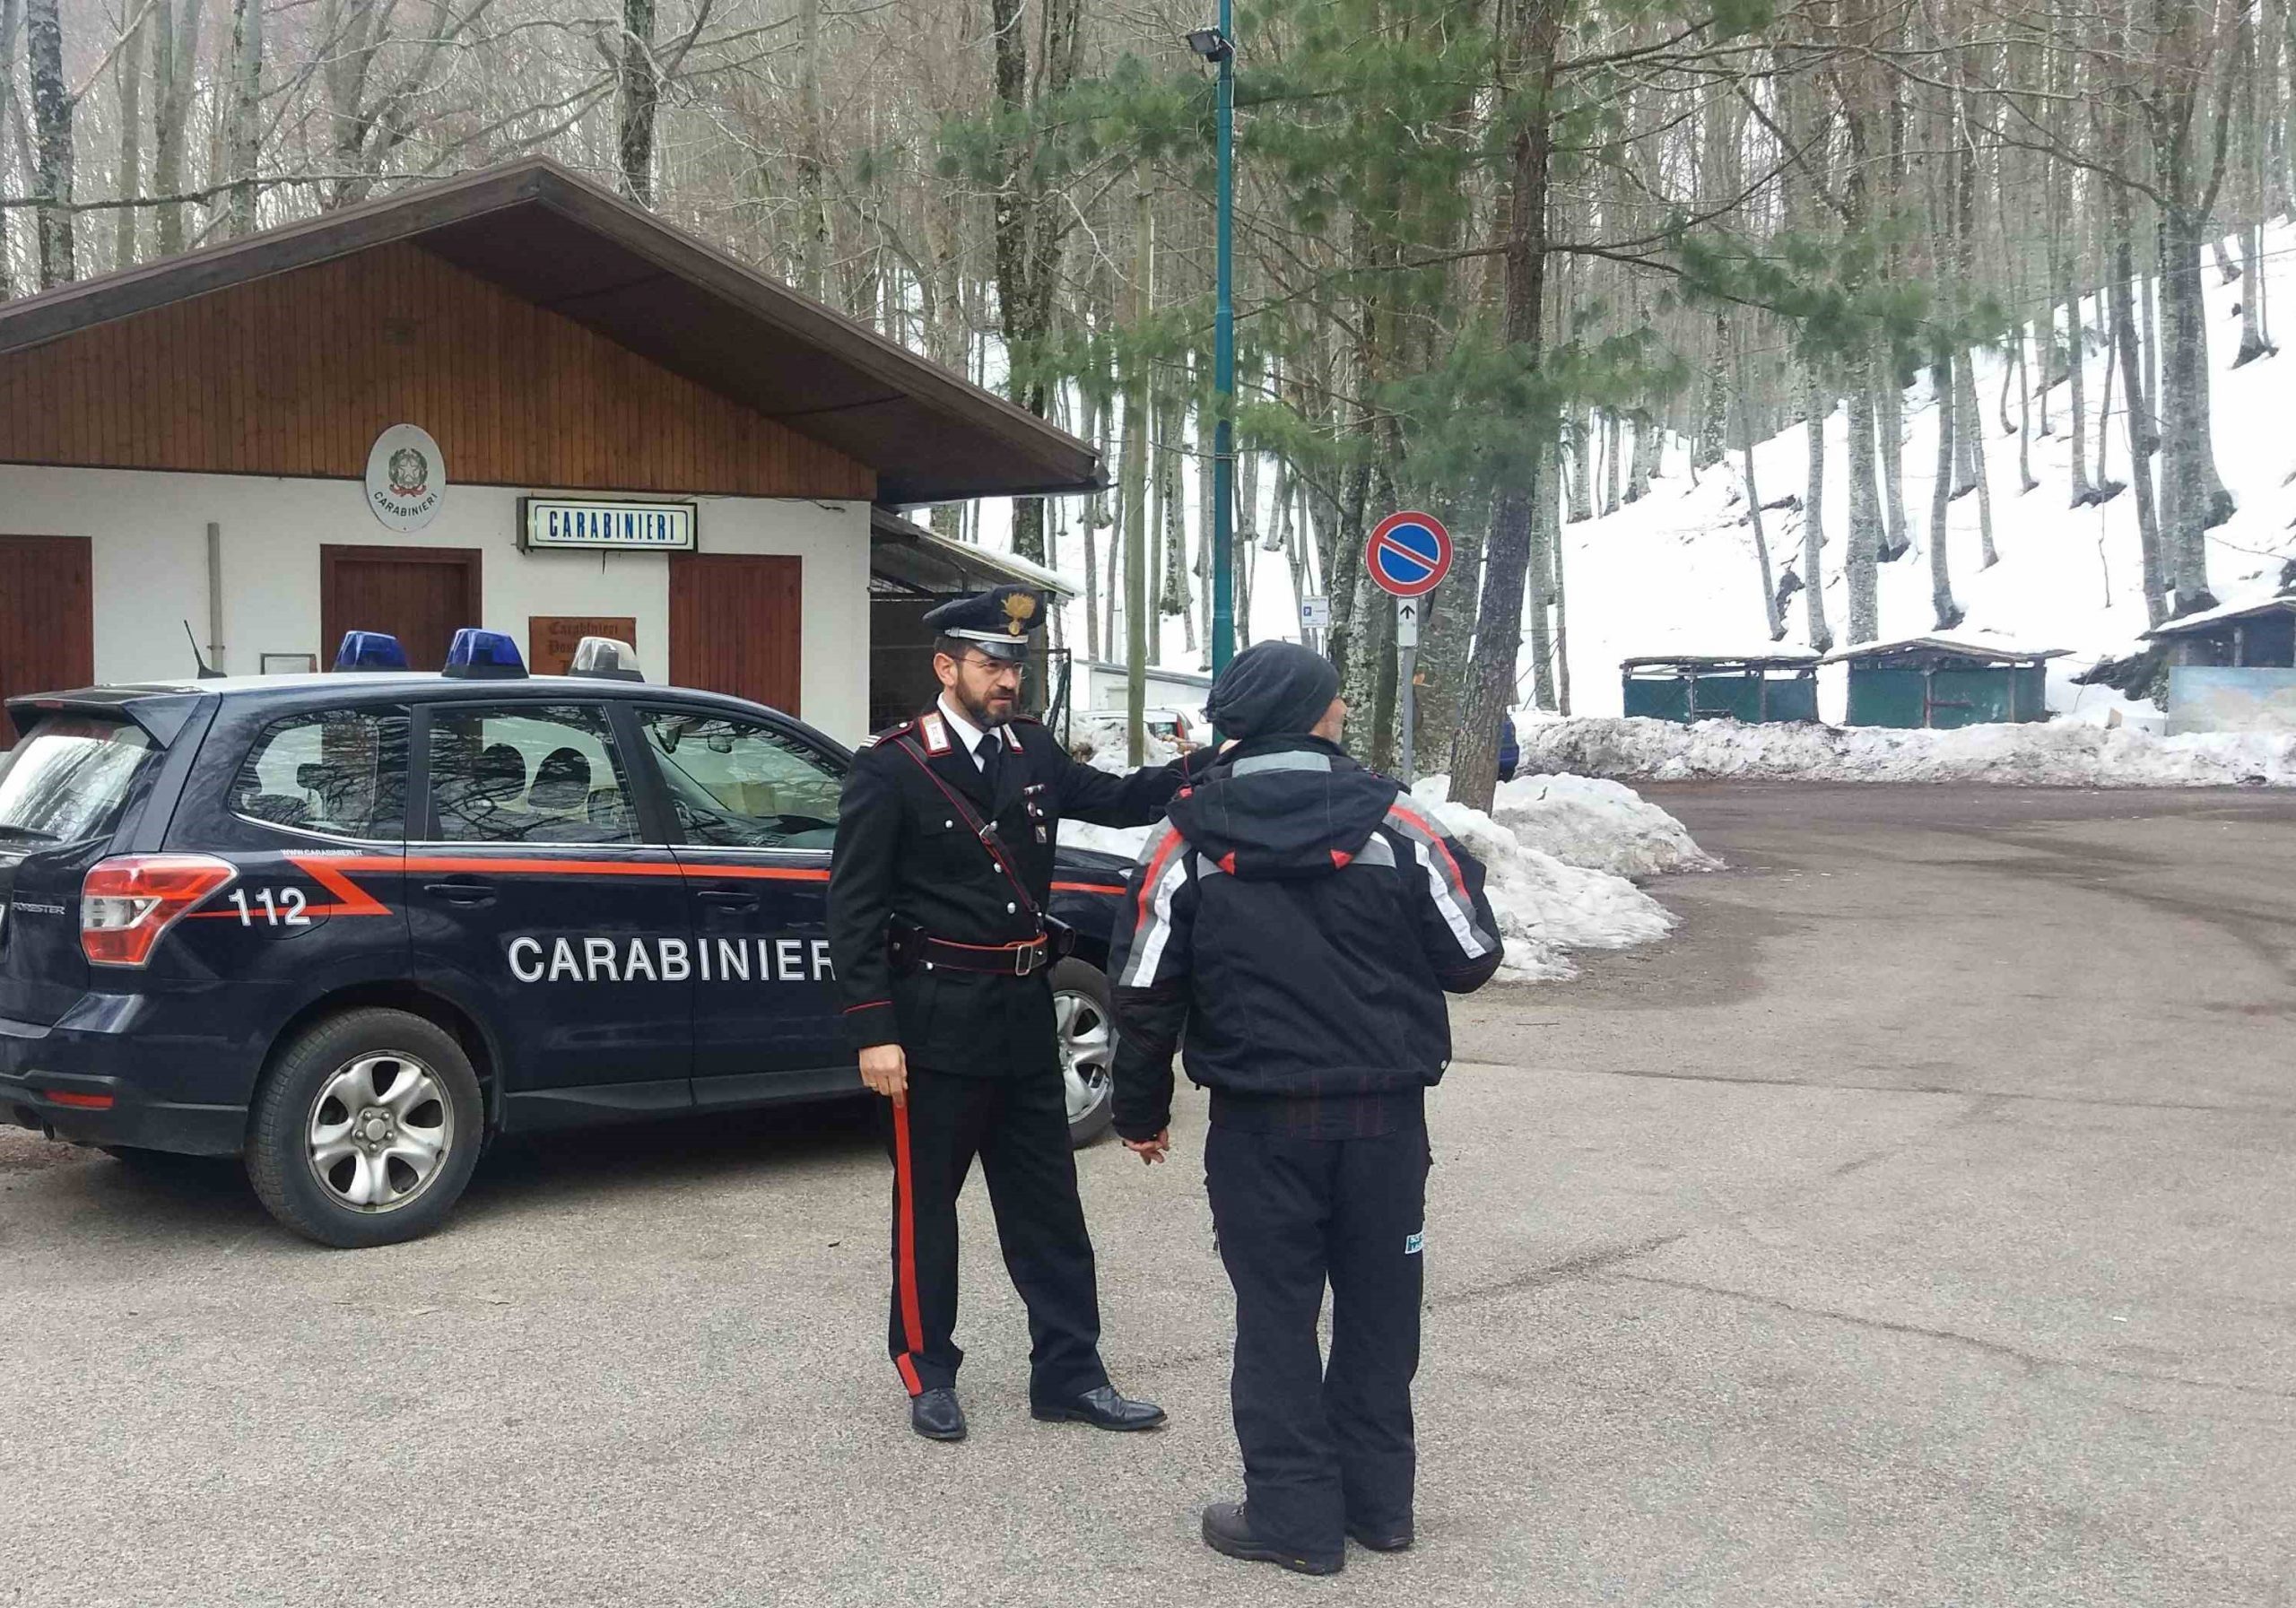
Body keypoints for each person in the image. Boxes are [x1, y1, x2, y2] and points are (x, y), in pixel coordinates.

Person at [1108, 640, 1505, 1574]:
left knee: (1275, 1312)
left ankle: (1292, 1517)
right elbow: (1470, 956)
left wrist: (1141, 1108)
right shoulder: (1397, 820)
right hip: (1383, 1119)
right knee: (1379, 1307)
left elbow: (1142, 986)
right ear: (1319, 714)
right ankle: (1380, 1505)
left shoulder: (1183, 835)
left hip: (1260, 1123)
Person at [827, 584, 1198, 1444]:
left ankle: (1069, 1373)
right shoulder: (891, 765)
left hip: (1025, 1014)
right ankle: (928, 1371)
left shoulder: (1030, 751)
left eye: (1015, 665)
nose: (1007, 680)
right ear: (945, 666)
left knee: (1050, 1208)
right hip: (933, 1022)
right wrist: (874, 1029)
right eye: (991, 663)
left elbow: (1119, 797)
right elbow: (852, 911)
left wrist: (1204, 767)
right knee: (928, 1210)